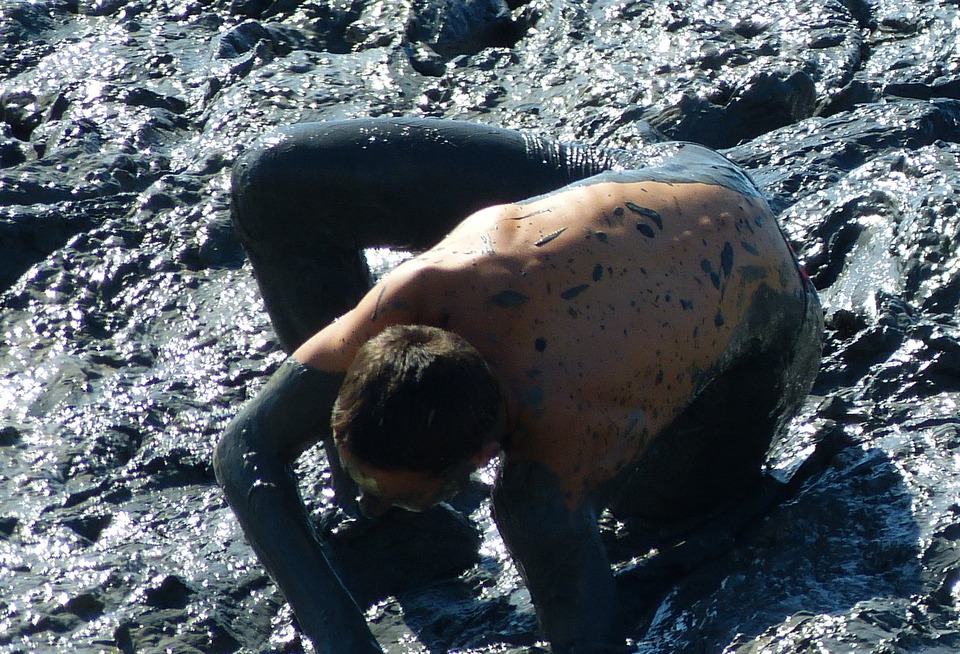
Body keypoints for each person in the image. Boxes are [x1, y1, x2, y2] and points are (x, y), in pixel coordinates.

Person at [213, 117, 823, 653]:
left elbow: (590, 641)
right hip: (653, 189)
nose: (363, 505)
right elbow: (244, 449)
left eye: (395, 501)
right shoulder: (415, 295)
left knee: (653, 514)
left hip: (768, 310)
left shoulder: (551, 466)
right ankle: (410, 536)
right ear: (373, 354)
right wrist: (340, 635)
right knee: (276, 181)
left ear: (485, 457)